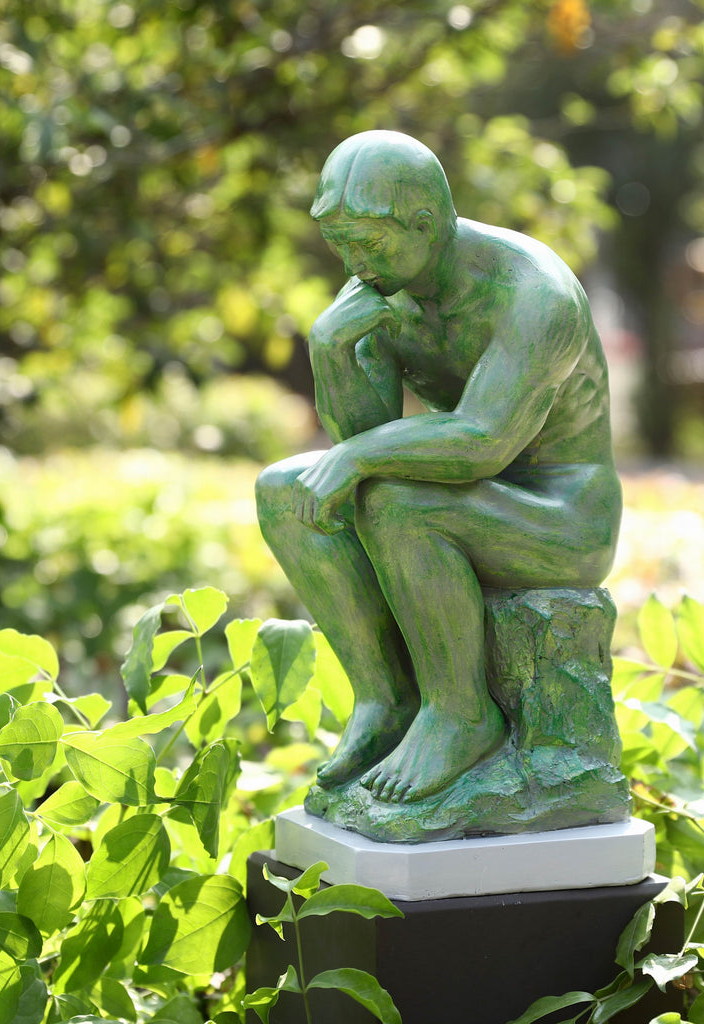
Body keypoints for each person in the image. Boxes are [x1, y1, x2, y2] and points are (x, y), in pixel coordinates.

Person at [256, 130, 621, 804]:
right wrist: (331, 349)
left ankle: (461, 715)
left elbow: (482, 442)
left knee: (400, 501)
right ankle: (385, 700)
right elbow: (361, 442)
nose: (353, 262)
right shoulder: (383, 284)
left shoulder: (534, 295)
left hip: (562, 520)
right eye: (340, 245)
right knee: (283, 491)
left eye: (366, 243)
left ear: (425, 224)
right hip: (473, 500)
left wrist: (360, 457)